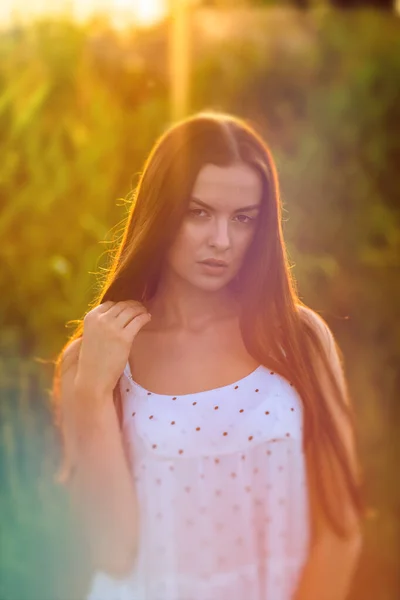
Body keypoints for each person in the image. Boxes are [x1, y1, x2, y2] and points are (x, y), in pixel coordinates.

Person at [51, 111, 365, 600]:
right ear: (161, 211)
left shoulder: (300, 340)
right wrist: (92, 393)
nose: (221, 240)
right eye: (198, 213)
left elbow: (341, 528)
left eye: (243, 219)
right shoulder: (96, 359)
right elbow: (113, 553)